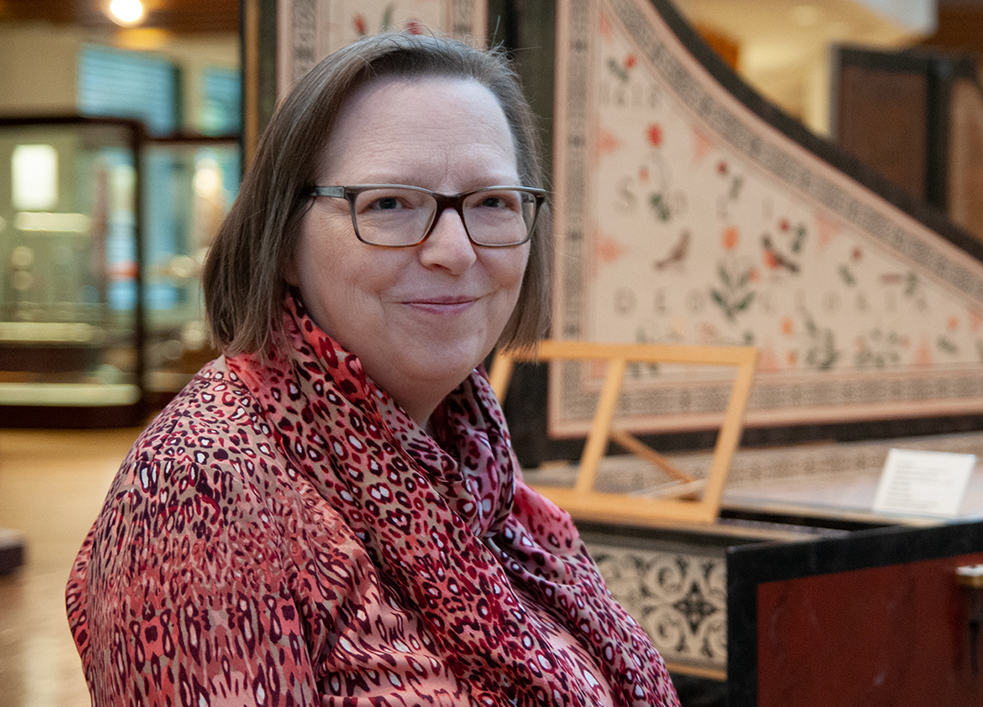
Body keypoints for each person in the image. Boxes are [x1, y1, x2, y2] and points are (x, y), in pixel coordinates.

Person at [66, 32, 680, 706]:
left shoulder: (470, 461)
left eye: (492, 202)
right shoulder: (200, 490)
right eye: (389, 203)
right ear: (286, 241)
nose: (455, 249)